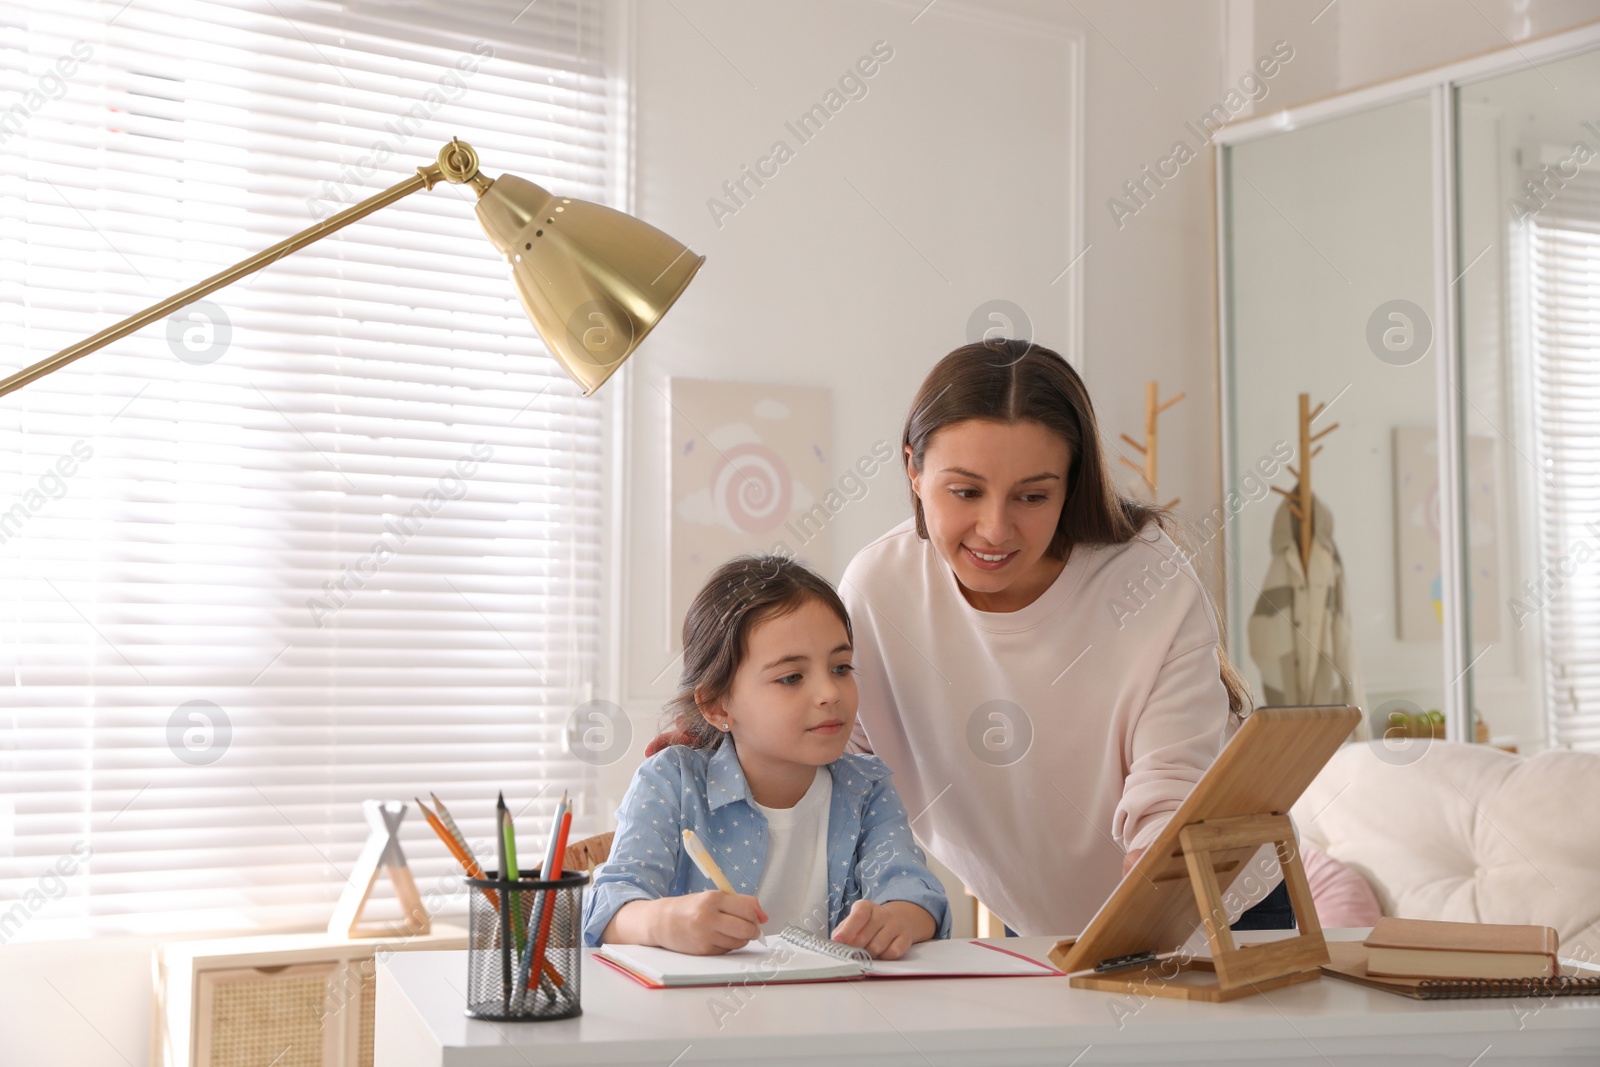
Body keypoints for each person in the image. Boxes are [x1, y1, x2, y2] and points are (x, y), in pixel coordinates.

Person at [840, 338, 1270, 937]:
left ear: (1071, 484)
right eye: (965, 491)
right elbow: (840, 763)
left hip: (1215, 904)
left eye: (1033, 496)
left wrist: (1152, 907)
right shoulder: (877, 591)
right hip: (1044, 922)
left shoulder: (1144, 577)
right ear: (913, 469)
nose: (995, 529)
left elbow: (1175, 789)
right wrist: (717, 749)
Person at [583, 554, 950, 957]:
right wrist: (665, 921)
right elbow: (608, 907)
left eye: (842, 668)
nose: (830, 692)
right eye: (791, 677)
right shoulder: (672, 781)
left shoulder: (867, 788)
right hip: (692, 1014)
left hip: (838, 1012)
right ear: (719, 707)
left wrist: (898, 919)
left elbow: (914, 891)